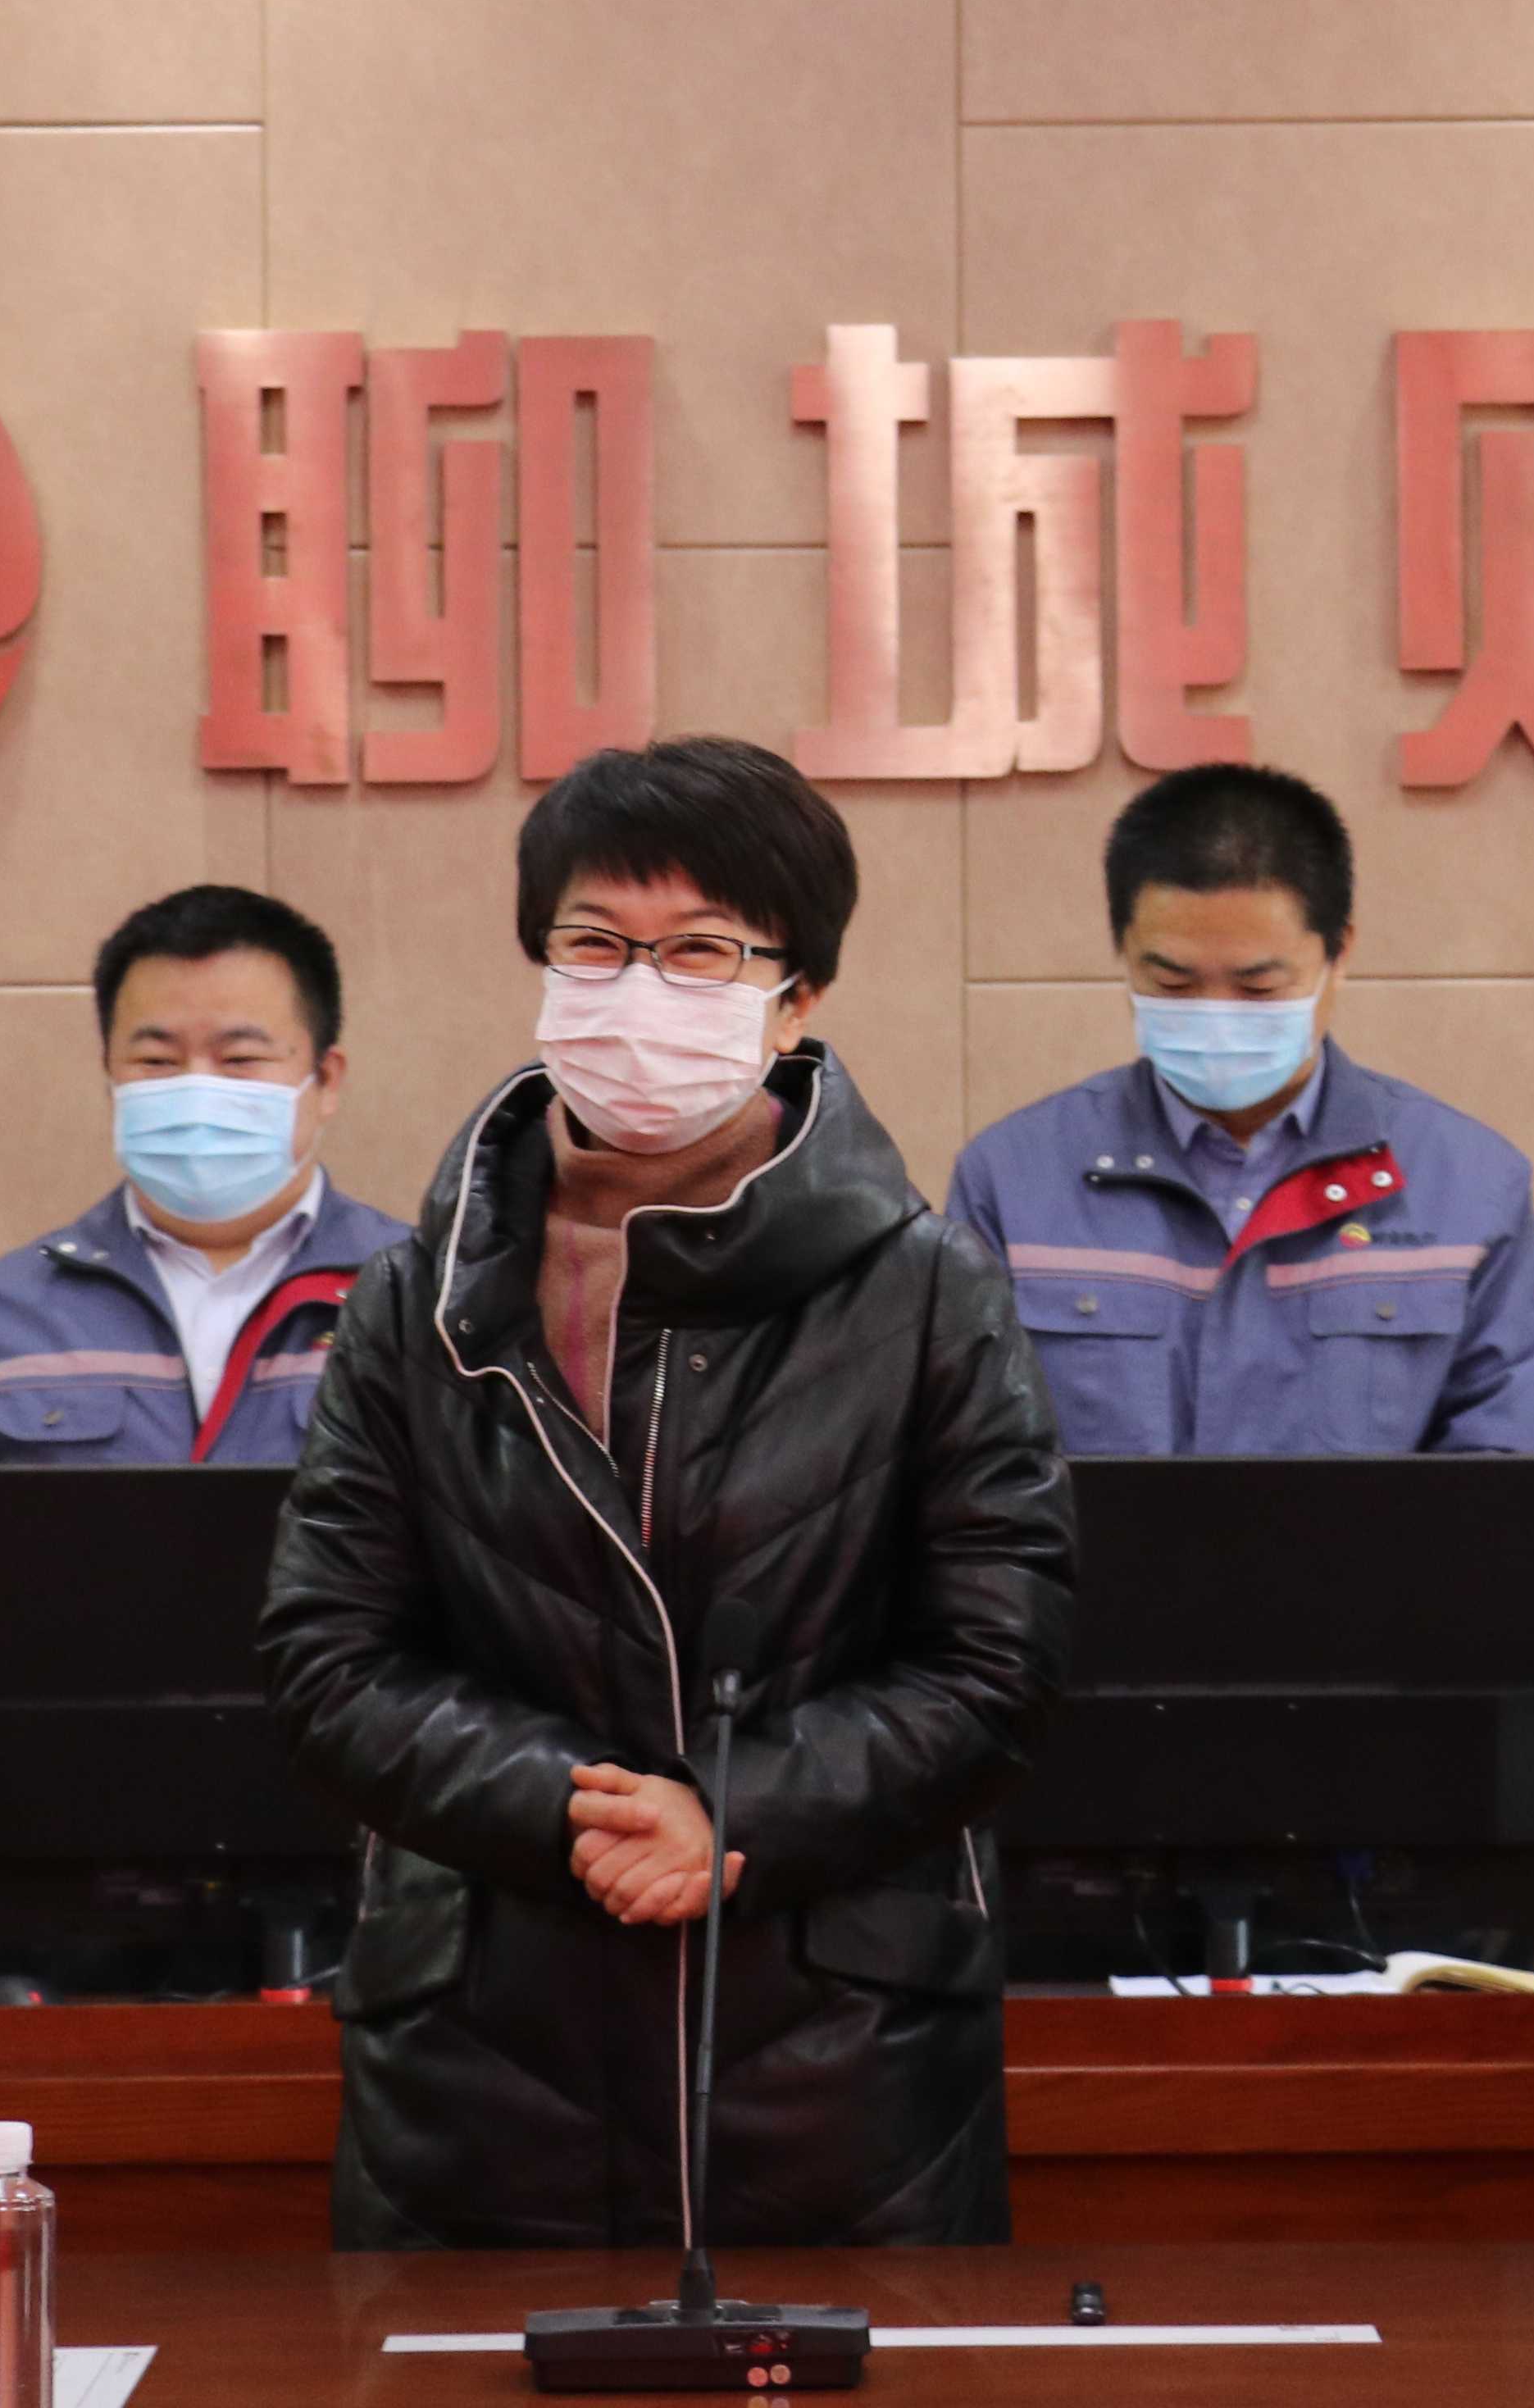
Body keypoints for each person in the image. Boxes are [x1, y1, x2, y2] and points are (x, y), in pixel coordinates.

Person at [255, 737, 1076, 2248]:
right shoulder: (413, 1303)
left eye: (700, 952)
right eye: (596, 945)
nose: (638, 991)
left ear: (797, 998)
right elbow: (330, 1661)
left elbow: (996, 1663)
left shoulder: (927, 1294)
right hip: (483, 2062)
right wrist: (576, 1812)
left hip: (837, 2070)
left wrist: (735, 1814)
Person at [0, 881, 400, 2001]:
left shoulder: (421, 1303)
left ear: (325, 1079)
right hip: (54, 1915)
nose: (197, 1090)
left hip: (360, 1912)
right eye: (156, 1058)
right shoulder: (4, 1319)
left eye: (241, 1058)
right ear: (109, 1074)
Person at [943, 762, 1534, 1454]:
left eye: (1259, 987)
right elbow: (973, 1467)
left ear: (1338, 954)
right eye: (1172, 983)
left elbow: (1508, 1474)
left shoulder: (1468, 1186)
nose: (1216, 1015)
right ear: (1123, 951)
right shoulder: (1013, 1182)